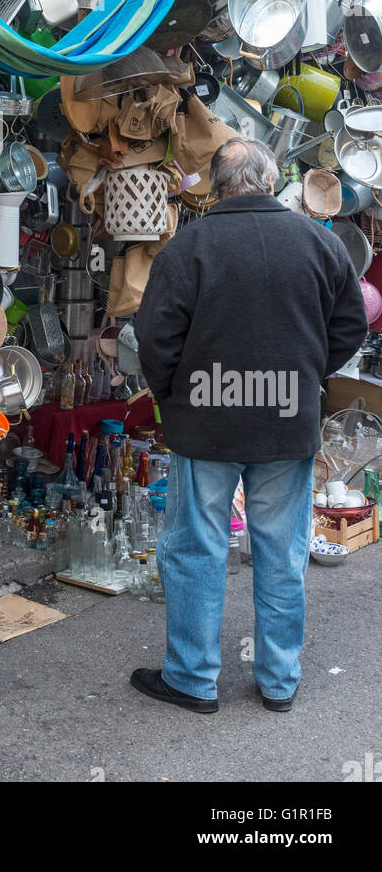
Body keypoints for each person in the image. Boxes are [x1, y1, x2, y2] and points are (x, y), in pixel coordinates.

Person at [131, 137, 367, 714]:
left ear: (215, 186)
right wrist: (307, 372)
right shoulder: (320, 242)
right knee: (281, 554)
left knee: (196, 550)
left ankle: (192, 679)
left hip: (205, 425)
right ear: (269, 181)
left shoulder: (187, 247)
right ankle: (279, 682)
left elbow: (154, 341)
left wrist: (174, 396)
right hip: (287, 421)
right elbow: (351, 327)